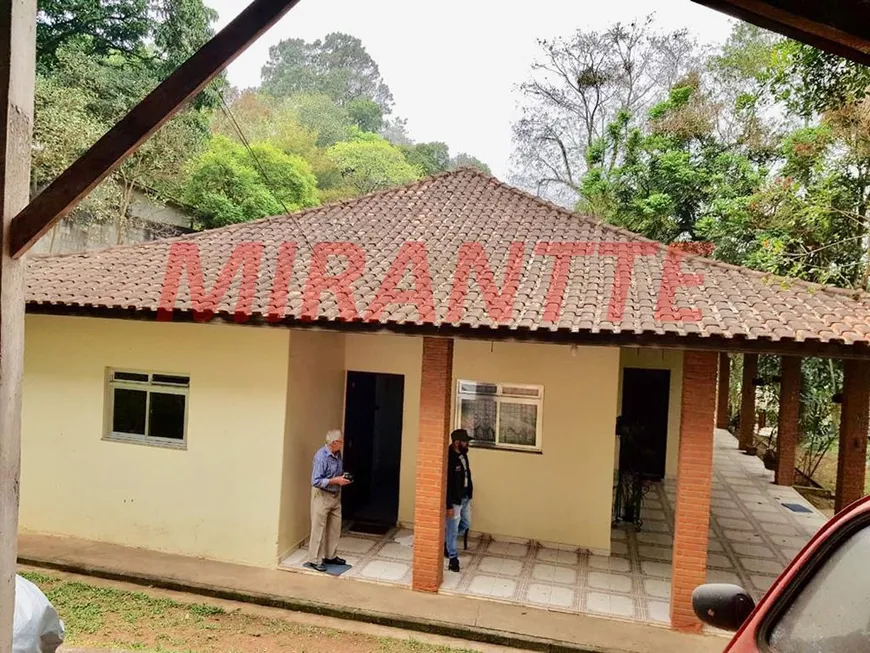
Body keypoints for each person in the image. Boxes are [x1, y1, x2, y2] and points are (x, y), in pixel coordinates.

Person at [307, 429, 352, 572]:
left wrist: (343, 478)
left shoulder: (338, 454)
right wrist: (335, 480)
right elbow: (315, 480)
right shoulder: (321, 457)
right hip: (322, 495)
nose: (343, 444)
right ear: (334, 443)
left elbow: (336, 473)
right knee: (318, 528)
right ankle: (314, 559)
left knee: (334, 527)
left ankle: (330, 556)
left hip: (335, 495)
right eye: (341, 442)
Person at [445, 428, 473, 572]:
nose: (467, 444)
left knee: (466, 523)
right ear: (457, 443)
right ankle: (453, 558)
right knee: (453, 530)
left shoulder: (463, 455)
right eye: (465, 442)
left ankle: (447, 543)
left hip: (465, 498)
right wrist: (448, 505)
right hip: (455, 501)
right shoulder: (449, 459)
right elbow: (447, 484)